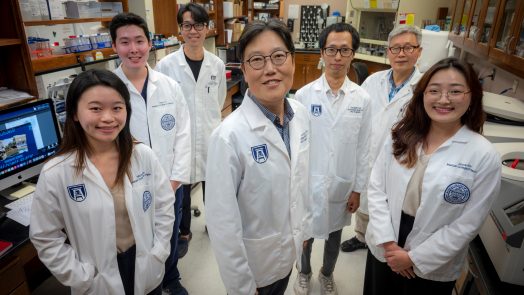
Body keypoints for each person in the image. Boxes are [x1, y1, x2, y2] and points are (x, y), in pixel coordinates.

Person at [29, 69, 175, 294]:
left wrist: (160, 251)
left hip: (146, 264)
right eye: (95, 108)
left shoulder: (143, 156)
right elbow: (45, 236)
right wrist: (80, 275)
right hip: (96, 278)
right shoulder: (57, 172)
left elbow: (164, 207)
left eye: (117, 107)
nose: (108, 117)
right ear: (75, 113)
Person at [364, 57, 501, 294]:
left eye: (455, 91)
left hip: (434, 256)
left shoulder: (482, 154)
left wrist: (414, 258)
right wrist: (388, 243)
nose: (443, 99)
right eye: (434, 90)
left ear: (471, 97)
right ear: (423, 95)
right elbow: (376, 188)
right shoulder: (401, 135)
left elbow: (468, 223)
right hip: (386, 237)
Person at [205, 19, 312, 295]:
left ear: (292, 60)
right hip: (254, 268)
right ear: (243, 69)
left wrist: (302, 231)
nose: (270, 69)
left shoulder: (299, 114)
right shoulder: (228, 137)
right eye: (256, 60)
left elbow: (301, 179)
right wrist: (241, 286)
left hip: (288, 251)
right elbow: (222, 224)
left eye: (278, 56)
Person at [109, 13, 191, 295]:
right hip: (129, 184)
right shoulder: (108, 89)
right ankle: (145, 284)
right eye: (125, 42)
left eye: (139, 41)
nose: (133, 49)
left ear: (149, 44)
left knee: (169, 232)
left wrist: (176, 178)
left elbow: (183, 133)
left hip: (170, 181)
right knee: (138, 239)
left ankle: (170, 278)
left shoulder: (169, 86)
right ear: (114, 47)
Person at [293, 23, 371, 295]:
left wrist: (358, 188)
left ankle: (327, 274)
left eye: (344, 50)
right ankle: (303, 272)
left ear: (353, 54)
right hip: (308, 182)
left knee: (335, 235)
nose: (338, 57)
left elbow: (364, 148)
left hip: (342, 184)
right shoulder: (303, 96)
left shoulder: (362, 99)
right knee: (305, 235)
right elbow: (296, 146)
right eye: (332, 50)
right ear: (322, 53)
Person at [341, 25, 423, 253]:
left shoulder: (425, 88)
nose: (401, 53)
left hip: (399, 160)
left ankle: (382, 242)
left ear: (419, 51)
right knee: (364, 198)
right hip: (368, 152)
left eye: (408, 47)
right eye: (395, 48)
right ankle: (360, 236)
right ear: (388, 52)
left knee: (388, 207)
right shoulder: (372, 81)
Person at [155, 3, 227, 256]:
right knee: (182, 187)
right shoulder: (166, 66)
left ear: (206, 29)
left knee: (214, 184)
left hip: (209, 135)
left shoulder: (216, 64)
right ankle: (184, 231)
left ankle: (215, 225)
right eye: (187, 25)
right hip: (180, 138)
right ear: (180, 30)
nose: (193, 31)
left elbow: (219, 100)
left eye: (198, 25)